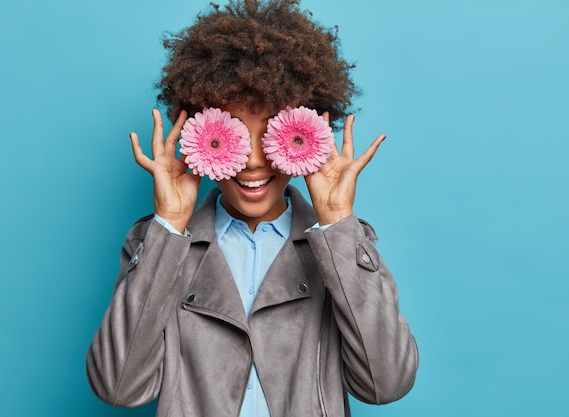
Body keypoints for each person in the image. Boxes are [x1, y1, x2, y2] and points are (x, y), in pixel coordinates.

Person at [86, 1, 418, 416]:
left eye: (271, 134)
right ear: (201, 136)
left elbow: (385, 384)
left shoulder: (347, 243)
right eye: (235, 134)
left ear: (307, 134)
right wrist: (169, 226)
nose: (254, 161)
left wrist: (337, 222)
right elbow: (118, 387)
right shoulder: (158, 242)